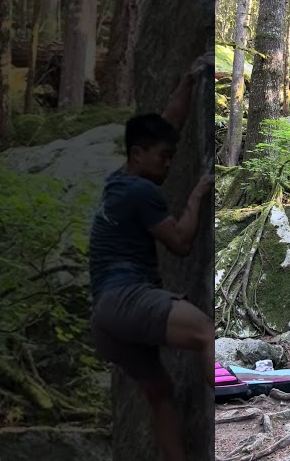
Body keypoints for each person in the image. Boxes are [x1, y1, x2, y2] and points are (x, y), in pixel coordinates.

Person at [87, 58, 214, 461]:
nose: (169, 162)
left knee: (160, 393)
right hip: (128, 298)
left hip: (106, 319)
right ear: (138, 154)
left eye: (171, 156)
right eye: (163, 157)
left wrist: (189, 79)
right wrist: (195, 196)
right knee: (206, 335)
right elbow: (179, 242)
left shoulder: (119, 180)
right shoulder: (142, 191)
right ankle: (234, 406)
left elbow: (165, 124)